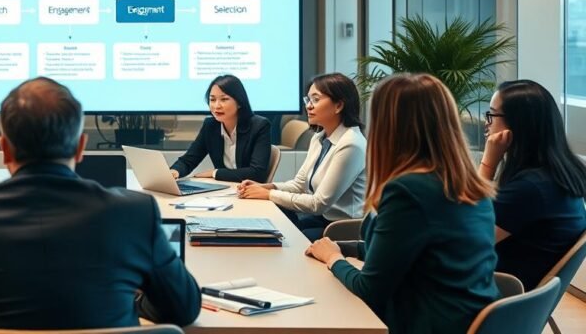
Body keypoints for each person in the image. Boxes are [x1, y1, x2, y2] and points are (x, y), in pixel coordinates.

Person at [0, 77, 201, 329]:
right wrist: (129, 302)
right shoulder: (135, 213)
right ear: (80, 147)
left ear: (4, 148)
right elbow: (182, 309)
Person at [306, 73, 498, 334]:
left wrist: (333, 258)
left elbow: (369, 290)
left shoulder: (407, 191)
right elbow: (405, 251)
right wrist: (342, 247)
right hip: (466, 319)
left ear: (389, 126)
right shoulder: (469, 185)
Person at [478, 79, 586, 289]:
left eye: (492, 114)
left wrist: (488, 163)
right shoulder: (557, 174)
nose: (486, 123)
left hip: (495, 294)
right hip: (517, 293)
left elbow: (466, 238)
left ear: (518, 124)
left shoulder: (531, 189)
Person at [238, 73, 367, 241]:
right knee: (277, 221)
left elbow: (318, 204)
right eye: (308, 100)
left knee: (288, 237)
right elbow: (299, 184)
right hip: (322, 218)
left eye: (316, 100)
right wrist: (266, 187)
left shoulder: (351, 144)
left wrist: (268, 194)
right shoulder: (319, 137)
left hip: (343, 227)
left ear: (339, 106)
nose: (309, 106)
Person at [169, 74, 271, 182]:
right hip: (224, 189)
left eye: (224, 99)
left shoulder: (259, 126)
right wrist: (175, 171)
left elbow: (257, 173)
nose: (217, 106)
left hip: (248, 189)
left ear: (239, 102)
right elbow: (189, 160)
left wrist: (215, 173)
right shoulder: (210, 126)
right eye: (212, 100)